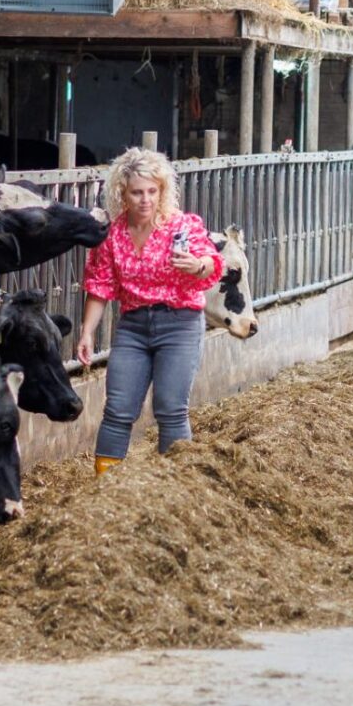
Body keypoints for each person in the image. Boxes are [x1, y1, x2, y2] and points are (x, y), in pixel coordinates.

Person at [77, 147, 224, 475]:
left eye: (152, 191)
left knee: (170, 408)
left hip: (180, 323)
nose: (145, 199)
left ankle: (176, 485)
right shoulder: (112, 235)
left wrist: (196, 265)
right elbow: (99, 286)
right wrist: (87, 332)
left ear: (162, 191)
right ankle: (105, 488)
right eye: (137, 192)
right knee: (118, 408)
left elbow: (212, 263)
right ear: (122, 194)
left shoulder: (182, 227)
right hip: (133, 325)